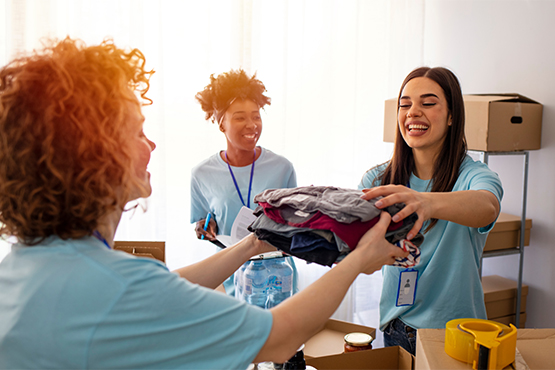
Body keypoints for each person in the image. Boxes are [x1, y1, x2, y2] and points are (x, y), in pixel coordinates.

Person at [0, 37, 409, 369]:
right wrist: (359, 259)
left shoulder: (27, 266)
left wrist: (251, 243)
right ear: (94, 153)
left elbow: (167, 288)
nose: (152, 144)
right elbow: (278, 339)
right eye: (138, 132)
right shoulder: (116, 286)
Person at [358, 66, 503, 356]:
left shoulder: (473, 175)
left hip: (456, 333)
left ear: (452, 117)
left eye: (428, 103)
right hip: (396, 327)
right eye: (405, 104)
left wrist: (426, 202)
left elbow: (487, 206)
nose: (413, 112)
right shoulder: (377, 181)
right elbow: (361, 255)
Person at [191, 69, 298, 295]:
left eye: (256, 116)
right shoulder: (201, 174)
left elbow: (294, 225)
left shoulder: (283, 168)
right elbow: (201, 225)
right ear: (222, 124)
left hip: (277, 279)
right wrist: (204, 228)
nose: (251, 125)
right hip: (230, 279)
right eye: (240, 117)